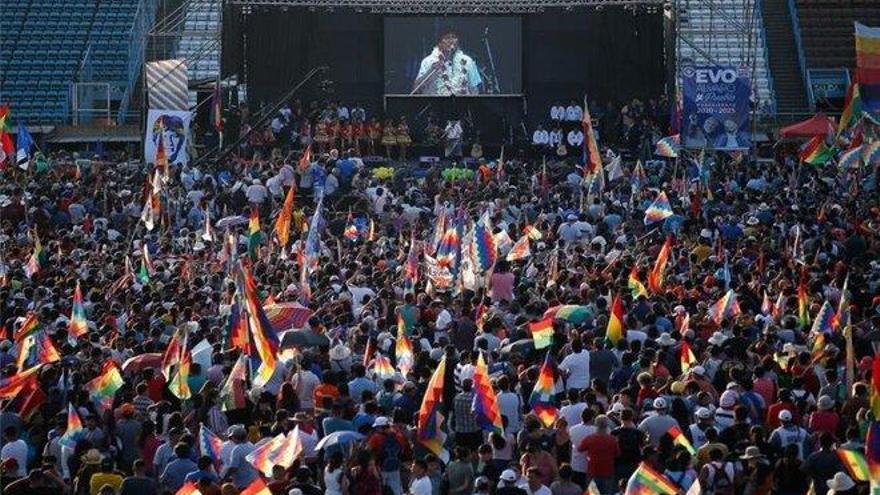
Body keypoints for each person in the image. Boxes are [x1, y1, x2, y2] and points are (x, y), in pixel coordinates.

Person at [413, 32, 481, 96]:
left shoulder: (468, 61)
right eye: (447, 38)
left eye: (454, 37)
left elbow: (474, 90)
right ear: (439, 43)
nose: (451, 41)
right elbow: (417, 89)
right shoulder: (428, 61)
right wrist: (431, 70)